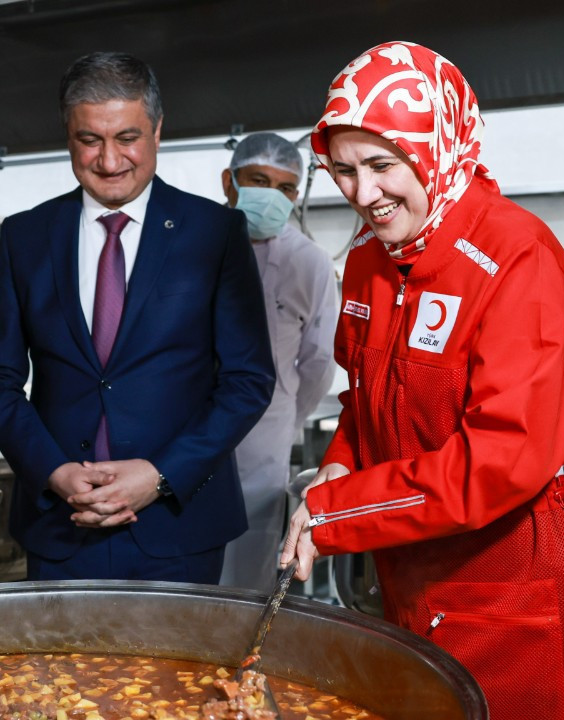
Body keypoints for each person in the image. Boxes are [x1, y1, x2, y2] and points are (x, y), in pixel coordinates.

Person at [280, 41, 564, 719]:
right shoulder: (374, 261)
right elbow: (363, 401)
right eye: (342, 170)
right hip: (411, 569)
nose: (362, 194)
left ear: (437, 146)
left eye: (381, 164)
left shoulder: (518, 257)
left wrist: (338, 514)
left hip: (510, 582)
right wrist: (336, 470)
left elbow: (502, 462)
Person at [0, 52, 274, 584]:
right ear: (68, 135)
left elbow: (248, 381)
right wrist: (53, 472)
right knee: (60, 670)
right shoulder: (25, 238)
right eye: (90, 140)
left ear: (157, 129)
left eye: (127, 138)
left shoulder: (216, 234)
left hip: (181, 525)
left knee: (180, 672)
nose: (109, 161)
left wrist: (158, 476)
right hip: (61, 523)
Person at [216, 133, 337, 592]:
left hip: (264, 433)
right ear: (230, 182)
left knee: (249, 554)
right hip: (184, 425)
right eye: (259, 181)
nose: (273, 196)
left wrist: (285, 416)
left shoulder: (310, 263)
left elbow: (319, 361)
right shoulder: (193, 242)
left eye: (286, 188)